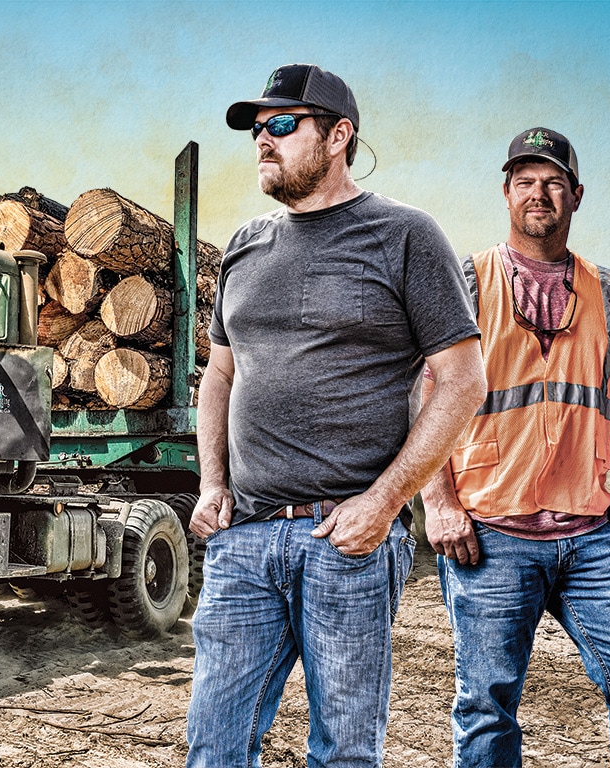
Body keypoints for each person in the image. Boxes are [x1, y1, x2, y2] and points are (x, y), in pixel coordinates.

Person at [186, 63, 486, 768]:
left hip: (346, 543)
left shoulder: (405, 235)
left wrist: (385, 503)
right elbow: (219, 374)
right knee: (214, 745)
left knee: (345, 753)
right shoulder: (245, 246)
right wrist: (211, 484)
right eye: (258, 130)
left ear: (339, 135)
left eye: (283, 126)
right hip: (246, 542)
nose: (265, 141)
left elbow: (464, 380)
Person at [421, 128, 610, 768]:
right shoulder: (465, 280)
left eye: (554, 181)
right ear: (506, 193)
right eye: (527, 181)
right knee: (488, 703)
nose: (541, 194)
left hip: (590, 533)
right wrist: (439, 501)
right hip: (490, 530)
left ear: (577, 195)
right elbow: (423, 395)